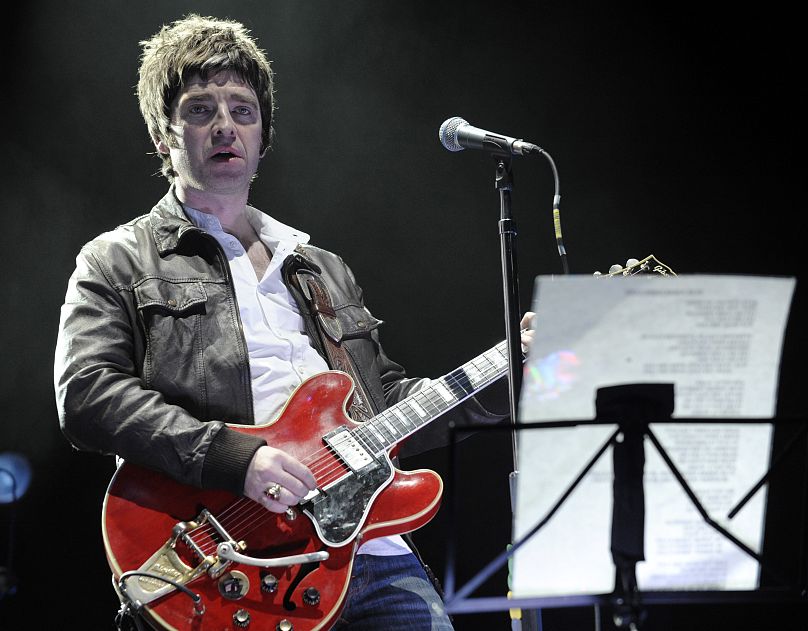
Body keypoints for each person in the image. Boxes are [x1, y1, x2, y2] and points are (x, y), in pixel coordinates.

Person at [54, 14, 533, 630]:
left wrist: (513, 362)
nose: (225, 125)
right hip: (234, 552)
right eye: (201, 110)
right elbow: (88, 394)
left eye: (242, 110)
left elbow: (384, 405)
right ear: (164, 135)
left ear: (263, 134)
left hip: (368, 547)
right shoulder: (118, 258)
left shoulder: (321, 267)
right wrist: (235, 459)